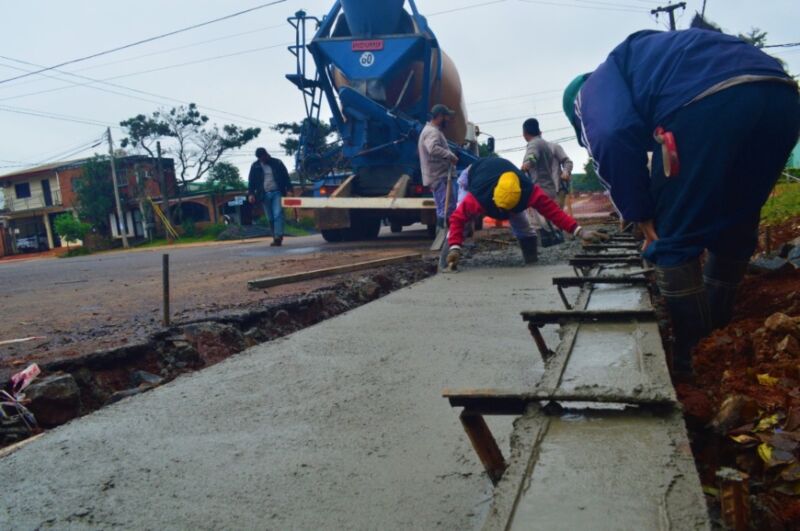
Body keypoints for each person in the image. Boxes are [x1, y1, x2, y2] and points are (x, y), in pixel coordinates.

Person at [562, 28, 800, 376]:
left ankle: (696, 360)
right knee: (736, 221)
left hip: (708, 102)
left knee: (671, 234)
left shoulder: (589, 91)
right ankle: (719, 331)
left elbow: (610, 137)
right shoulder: (653, 63)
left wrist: (640, 212)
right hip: (781, 96)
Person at [446, 157, 607, 268]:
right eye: (502, 209)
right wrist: (454, 246)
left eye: (508, 210)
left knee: (523, 226)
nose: (504, 214)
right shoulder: (477, 196)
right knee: (461, 222)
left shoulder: (529, 191)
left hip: (500, 181)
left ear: (520, 198)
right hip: (472, 174)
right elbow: (456, 218)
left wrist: (580, 232)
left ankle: (531, 258)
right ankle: (449, 258)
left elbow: (554, 213)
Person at [419, 104, 459, 228]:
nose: (449, 120)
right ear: (440, 116)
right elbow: (433, 148)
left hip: (438, 176)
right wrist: (450, 156)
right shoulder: (432, 132)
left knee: (443, 208)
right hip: (440, 177)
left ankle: (444, 233)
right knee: (447, 208)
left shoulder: (431, 130)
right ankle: (445, 234)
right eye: (447, 117)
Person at [248, 147, 293, 247]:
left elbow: (286, 177)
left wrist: (289, 189)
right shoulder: (255, 166)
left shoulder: (277, 163)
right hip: (264, 194)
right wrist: (251, 194)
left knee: (278, 214)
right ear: (258, 158)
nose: (262, 159)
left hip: (277, 192)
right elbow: (251, 181)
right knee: (270, 218)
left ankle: (278, 236)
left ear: (266, 154)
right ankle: (275, 237)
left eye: (263, 157)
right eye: (260, 158)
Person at [548, 141, 573, 208]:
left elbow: (567, 162)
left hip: (557, 190)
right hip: (538, 193)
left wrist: (566, 171)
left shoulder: (553, 147)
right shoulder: (531, 151)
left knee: (555, 213)